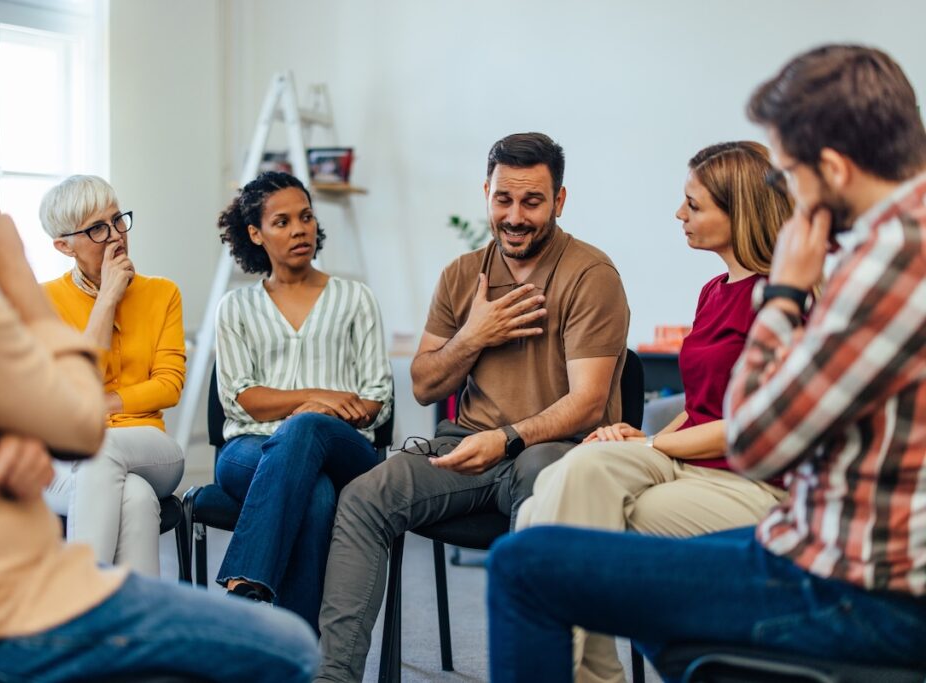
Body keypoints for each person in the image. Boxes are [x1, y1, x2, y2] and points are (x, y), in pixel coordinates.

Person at [487, 44, 926, 683]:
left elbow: (758, 441)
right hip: (837, 545)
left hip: (846, 581)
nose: (787, 193)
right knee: (566, 516)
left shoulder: (880, 268)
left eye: (791, 174)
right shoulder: (893, 248)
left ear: (832, 167)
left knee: (524, 565)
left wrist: (783, 294)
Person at [0, 23, 317, 682]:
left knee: (126, 491)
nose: (115, 233)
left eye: (118, 218)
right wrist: (12, 274)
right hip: (20, 608)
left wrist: (6, 434)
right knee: (293, 645)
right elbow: (75, 424)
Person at [316, 132, 630, 682]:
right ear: (486, 192)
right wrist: (474, 335)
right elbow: (422, 385)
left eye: (532, 201)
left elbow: (587, 405)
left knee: (541, 471)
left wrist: (507, 439)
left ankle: (535, 671)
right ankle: (333, 676)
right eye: (503, 199)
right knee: (364, 497)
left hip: (552, 454)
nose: (515, 216)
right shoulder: (462, 275)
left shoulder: (590, 276)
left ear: (559, 201)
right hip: (465, 449)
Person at [515, 141, 792, 681]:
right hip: (693, 465)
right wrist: (640, 434)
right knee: (566, 487)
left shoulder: (780, 302)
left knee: (551, 519)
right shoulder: (714, 291)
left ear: (740, 213)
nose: (679, 214)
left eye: (694, 205)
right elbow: (704, 406)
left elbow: (748, 428)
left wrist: (649, 444)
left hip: (756, 483)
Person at [214, 170, 393, 631]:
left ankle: (246, 577)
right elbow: (243, 398)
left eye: (307, 216)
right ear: (255, 234)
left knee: (307, 428)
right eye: (282, 222)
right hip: (248, 452)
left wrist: (316, 414)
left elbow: (376, 397)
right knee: (315, 495)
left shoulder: (355, 298)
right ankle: (305, 654)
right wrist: (320, 397)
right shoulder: (236, 307)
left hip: (344, 448)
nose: (299, 229)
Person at [39, 174, 185, 577]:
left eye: (118, 219)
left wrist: (105, 404)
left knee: (101, 450)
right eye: (98, 229)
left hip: (151, 448)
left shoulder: (163, 293)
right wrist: (107, 299)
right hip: (66, 460)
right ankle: (139, 633)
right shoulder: (43, 300)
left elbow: (168, 386)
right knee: (135, 500)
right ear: (64, 245)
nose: (117, 235)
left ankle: (79, 602)